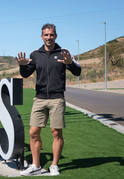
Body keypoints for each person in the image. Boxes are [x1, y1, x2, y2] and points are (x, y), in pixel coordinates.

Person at [17, 23, 81, 176]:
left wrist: (70, 63)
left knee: (56, 133)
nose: (49, 37)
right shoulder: (35, 54)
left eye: (51, 35)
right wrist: (22, 66)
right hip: (39, 98)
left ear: (56, 36)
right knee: (33, 132)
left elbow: (78, 71)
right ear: (42, 37)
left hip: (57, 98)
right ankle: (36, 165)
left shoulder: (64, 53)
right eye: (46, 35)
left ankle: (54, 165)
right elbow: (26, 74)